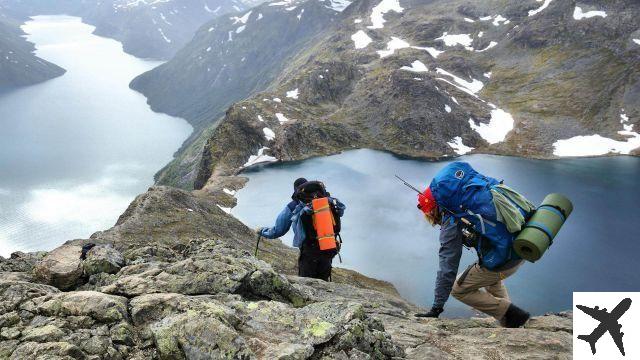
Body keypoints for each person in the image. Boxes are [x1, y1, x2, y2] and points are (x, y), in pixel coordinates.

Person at [414, 162, 532, 328]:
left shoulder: (452, 219)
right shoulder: (468, 199)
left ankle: (513, 316)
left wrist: (437, 307)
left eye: (428, 215)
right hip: (521, 245)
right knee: (490, 279)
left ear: (432, 210)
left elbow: (448, 265)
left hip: (504, 259)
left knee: (458, 290)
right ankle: (512, 323)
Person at [256, 178, 345, 281]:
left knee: (306, 284)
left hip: (309, 251)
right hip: (328, 246)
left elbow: (278, 230)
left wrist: (262, 231)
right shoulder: (326, 201)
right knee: (323, 282)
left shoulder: (294, 205)